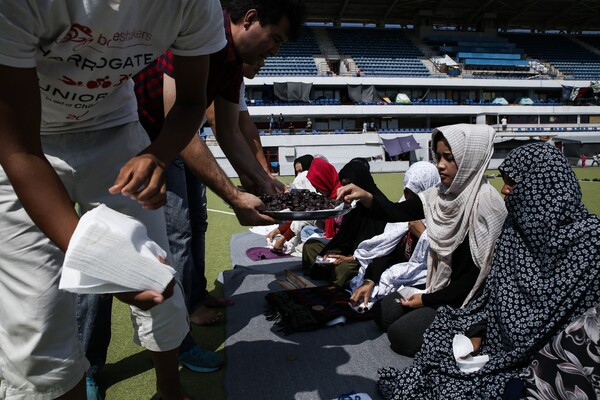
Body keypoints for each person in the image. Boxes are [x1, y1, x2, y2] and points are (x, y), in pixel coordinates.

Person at [0, 1, 238, 399]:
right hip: (27, 142)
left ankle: (170, 391)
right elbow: (20, 151)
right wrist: (100, 261)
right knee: (35, 324)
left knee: (156, 278)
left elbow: (192, 101)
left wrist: (156, 155)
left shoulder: (195, 4)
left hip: (116, 130)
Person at [75, 0, 303, 391]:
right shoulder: (199, 22)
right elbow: (175, 113)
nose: (275, 52)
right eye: (276, 39)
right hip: (118, 135)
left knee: (167, 249)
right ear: (250, 19)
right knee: (101, 251)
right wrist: (233, 195)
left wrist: (263, 183)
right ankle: (88, 365)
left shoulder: (233, 61)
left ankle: (177, 344)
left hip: (160, 144)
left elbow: (228, 130)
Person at [376, 142, 600, 400]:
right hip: (491, 331)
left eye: (512, 182)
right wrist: (479, 332)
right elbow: (492, 294)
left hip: (554, 354)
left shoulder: (589, 241)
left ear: (544, 187)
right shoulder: (515, 230)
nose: (504, 189)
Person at [338, 124, 507, 357]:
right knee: (382, 312)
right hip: (440, 287)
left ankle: (473, 335)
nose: (440, 165)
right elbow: (398, 212)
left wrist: (426, 300)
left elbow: (472, 280)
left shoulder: (486, 204)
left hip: (468, 300)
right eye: (438, 157)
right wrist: (367, 197)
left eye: (449, 158)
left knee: (401, 336)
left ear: (470, 159)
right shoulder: (441, 193)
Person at [349, 161, 440, 307]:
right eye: (406, 192)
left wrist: (423, 234)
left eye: (415, 194)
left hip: (428, 283)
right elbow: (386, 251)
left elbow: (442, 265)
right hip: (396, 277)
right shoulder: (401, 218)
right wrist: (370, 280)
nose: (408, 199)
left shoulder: (442, 219)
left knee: (386, 311)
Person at [303, 158, 387, 287]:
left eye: (350, 185)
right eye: (344, 185)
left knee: (343, 269)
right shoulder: (351, 203)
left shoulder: (378, 204)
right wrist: (336, 249)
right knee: (311, 247)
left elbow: (378, 247)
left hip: (365, 256)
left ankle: (334, 286)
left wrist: (350, 257)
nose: (347, 189)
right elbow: (345, 235)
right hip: (348, 249)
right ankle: (326, 274)